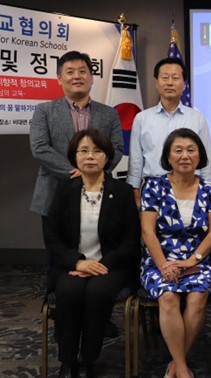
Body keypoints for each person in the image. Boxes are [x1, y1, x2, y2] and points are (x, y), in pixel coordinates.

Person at [44, 129, 140, 378]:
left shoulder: (120, 192)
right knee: (68, 294)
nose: (90, 157)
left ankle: (87, 362)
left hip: (111, 266)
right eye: (83, 151)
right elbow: (52, 236)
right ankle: (67, 363)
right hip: (72, 267)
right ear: (74, 156)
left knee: (97, 295)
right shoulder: (65, 189)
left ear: (107, 157)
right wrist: (77, 262)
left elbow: (131, 241)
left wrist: (100, 265)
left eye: (97, 151)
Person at [30, 50, 124, 293]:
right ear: (59, 79)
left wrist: (93, 173)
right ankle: (60, 311)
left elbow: (118, 148)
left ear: (92, 78)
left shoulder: (109, 112)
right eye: (69, 72)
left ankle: (99, 312)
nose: (77, 77)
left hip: (100, 193)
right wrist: (78, 171)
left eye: (83, 71)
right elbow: (39, 147)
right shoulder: (44, 111)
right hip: (53, 192)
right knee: (58, 253)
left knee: (100, 250)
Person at [140, 128, 211, 378]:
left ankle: (174, 367)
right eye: (178, 150)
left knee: (198, 298)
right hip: (159, 259)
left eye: (191, 150)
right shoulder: (153, 186)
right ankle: (184, 372)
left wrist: (192, 260)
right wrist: (164, 266)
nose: (185, 155)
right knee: (169, 297)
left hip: (198, 259)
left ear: (200, 155)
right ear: (168, 156)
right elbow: (148, 232)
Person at [128, 57, 211, 206]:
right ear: (156, 83)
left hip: (191, 190)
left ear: (184, 84)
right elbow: (136, 161)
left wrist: (208, 193)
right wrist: (135, 193)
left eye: (175, 78)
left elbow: (206, 160)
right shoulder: (142, 119)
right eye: (164, 77)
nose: (169, 82)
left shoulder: (197, 118)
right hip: (153, 190)